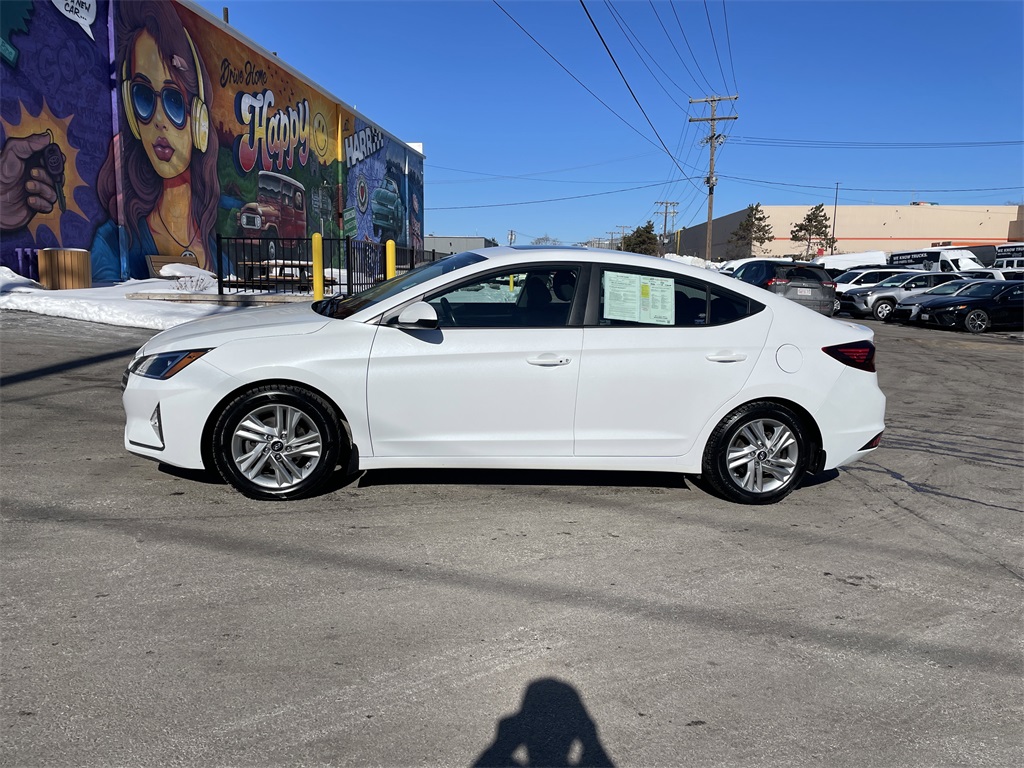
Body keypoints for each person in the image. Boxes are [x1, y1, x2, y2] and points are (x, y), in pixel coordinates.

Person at [91, 1, 219, 282]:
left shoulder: (219, 251)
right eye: (144, 96)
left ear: (199, 119)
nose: (159, 120)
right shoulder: (112, 244)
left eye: (174, 100)